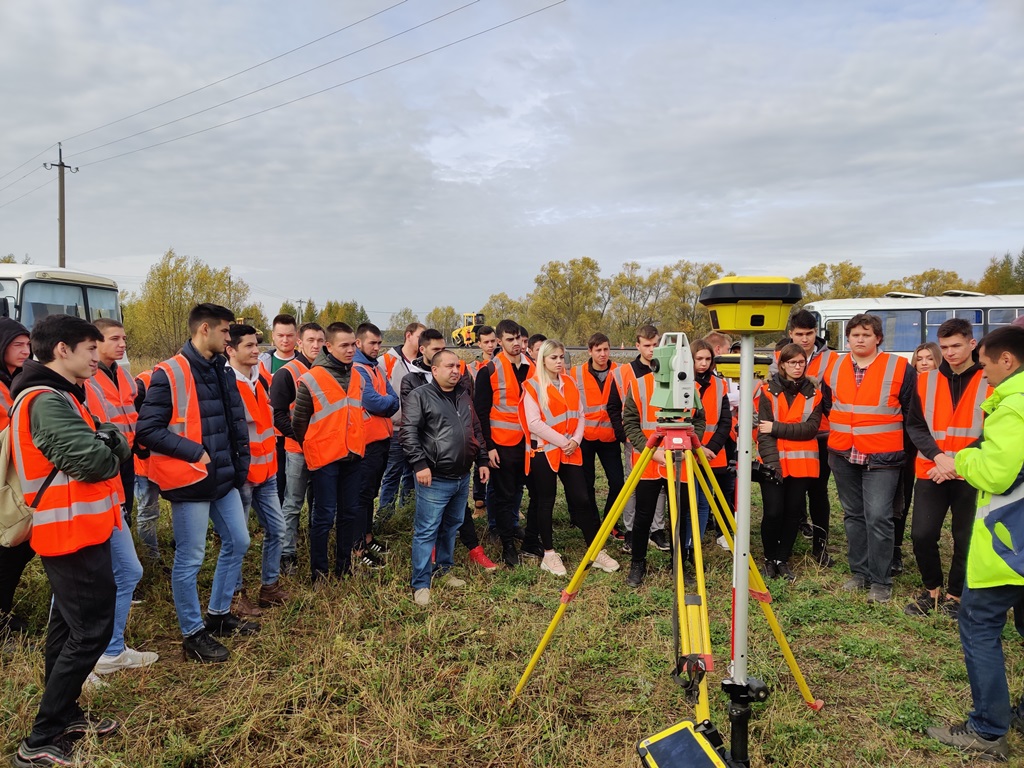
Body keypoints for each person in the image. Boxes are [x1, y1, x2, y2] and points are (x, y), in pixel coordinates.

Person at [9, 314, 129, 767]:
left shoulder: (61, 395)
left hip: (81, 529)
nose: (97, 358)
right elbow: (97, 461)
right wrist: (111, 441)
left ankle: (65, 715)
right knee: (91, 630)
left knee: (68, 628)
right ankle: (40, 738)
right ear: (63, 350)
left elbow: (107, 439)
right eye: (90, 349)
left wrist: (108, 439)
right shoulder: (45, 400)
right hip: (69, 533)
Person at [925, 326, 1024, 762]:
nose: (982, 374)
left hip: (1009, 544)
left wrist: (956, 459)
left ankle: (987, 730)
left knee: (980, 626)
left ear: (1007, 361)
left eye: (984, 364)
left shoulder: (1013, 407)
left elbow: (998, 473)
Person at [136, 303, 254, 664]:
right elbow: (147, 430)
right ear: (205, 329)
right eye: (225, 331)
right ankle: (192, 634)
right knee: (191, 558)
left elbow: (234, 424)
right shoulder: (169, 373)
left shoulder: (223, 370)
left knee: (239, 540)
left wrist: (239, 466)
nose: (229, 338)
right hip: (191, 480)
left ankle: (217, 616)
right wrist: (193, 451)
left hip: (223, 478)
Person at [83, 319, 157, 678]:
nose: (122, 344)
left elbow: (132, 415)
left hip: (121, 467)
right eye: (115, 339)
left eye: (125, 338)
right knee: (83, 579)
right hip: (96, 475)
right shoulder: (82, 383)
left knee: (123, 565)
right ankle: (84, 661)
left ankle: (111, 650)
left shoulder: (125, 376)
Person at [903, 320, 989, 619]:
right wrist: (939, 457)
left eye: (956, 346)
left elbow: (991, 431)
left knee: (965, 537)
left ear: (972, 344)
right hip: (932, 468)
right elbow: (914, 424)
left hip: (971, 473)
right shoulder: (925, 380)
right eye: (945, 347)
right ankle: (931, 591)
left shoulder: (989, 380)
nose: (950, 352)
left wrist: (954, 463)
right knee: (922, 534)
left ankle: (956, 595)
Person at [828, 313, 915, 604]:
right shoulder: (836, 366)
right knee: (853, 515)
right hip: (843, 453)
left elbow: (910, 412)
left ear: (878, 338)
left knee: (879, 516)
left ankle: (881, 579)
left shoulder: (899, 367)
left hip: (882, 457)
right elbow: (831, 404)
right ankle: (860, 573)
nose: (860, 339)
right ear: (848, 338)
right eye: (855, 335)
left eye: (866, 334)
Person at [521, 340, 619, 576]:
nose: (559, 361)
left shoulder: (570, 383)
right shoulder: (532, 387)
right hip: (545, 451)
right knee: (546, 501)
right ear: (542, 359)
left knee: (582, 499)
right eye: (553, 357)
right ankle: (549, 553)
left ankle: (594, 551)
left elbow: (580, 415)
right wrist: (564, 441)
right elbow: (534, 423)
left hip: (570, 450)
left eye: (561, 357)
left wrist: (575, 439)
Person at [401, 331, 497, 571]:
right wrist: (419, 464)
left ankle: (445, 569)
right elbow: (408, 432)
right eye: (449, 366)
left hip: (461, 476)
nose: (456, 370)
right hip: (434, 476)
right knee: (427, 529)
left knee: (451, 526)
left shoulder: (463, 396)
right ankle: (421, 581)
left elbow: (474, 428)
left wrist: (483, 459)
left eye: (457, 366)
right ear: (435, 370)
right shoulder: (420, 395)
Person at [621, 343, 705, 588]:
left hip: (680, 461)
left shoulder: (691, 385)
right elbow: (630, 422)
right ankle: (637, 563)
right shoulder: (638, 385)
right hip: (649, 461)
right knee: (643, 515)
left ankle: (679, 565)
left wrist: (689, 444)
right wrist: (649, 449)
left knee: (680, 516)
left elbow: (699, 420)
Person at [291, 322, 366, 581]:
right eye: (343, 345)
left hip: (353, 456)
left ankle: (344, 567)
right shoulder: (312, 378)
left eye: (353, 344)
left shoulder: (357, 376)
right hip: (325, 461)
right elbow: (299, 423)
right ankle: (319, 573)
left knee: (349, 514)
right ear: (329, 346)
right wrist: (316, 445)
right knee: (323, 518)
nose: (350, 350)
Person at [225, 324, 290, 615]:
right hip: (243, 477)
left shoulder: (260, 379)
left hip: (267, 472)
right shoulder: (226, 385)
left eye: (256, 345)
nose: (256, 351)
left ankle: (270, 586)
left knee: (277, 529)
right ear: (231, 350)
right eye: (249, 346)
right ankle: (236, 595)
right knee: (238, 539)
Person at [773, 310, 837, 565]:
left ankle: (820, 547)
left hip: (820, 434)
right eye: (799, 334)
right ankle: (789, 540)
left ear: (816, 333)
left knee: (819, 493)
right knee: (791, 495)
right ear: (790, 334)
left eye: (809, 334)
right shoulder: (779, 357)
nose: (804, 339)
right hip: (786, 437)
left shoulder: (831, 360)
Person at [756, 343, 823, 581]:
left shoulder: (815, 394)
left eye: (801, 362)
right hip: (773, 463)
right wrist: (773, 464)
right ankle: (768, 558)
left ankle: (782, 559)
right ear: (782, 364)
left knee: (793, 514)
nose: (797, 367)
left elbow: (810, 429)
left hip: (802, 464)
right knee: (773, 512)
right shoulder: (766, 391)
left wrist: (776, 427)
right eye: (792, 362)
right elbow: (762, 432)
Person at [475, 319, 534, 568]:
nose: (516, 343)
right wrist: (489, 448)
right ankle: (507, 543)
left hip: (529, 443)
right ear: (499, 341)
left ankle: (516, 529)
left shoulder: (532, 367)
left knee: (521, 491)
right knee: (504, 494)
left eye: (519, 338)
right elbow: (481, 413)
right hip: (502, 444)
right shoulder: (489, 370)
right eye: (510, 339)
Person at [607, 325, 669, 554]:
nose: (652, 349)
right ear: (638, 346)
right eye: (647, 345)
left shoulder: (668, 370)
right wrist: (626, 436)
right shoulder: (623, 373)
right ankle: (632, 531)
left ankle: (657, 530)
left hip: (663, 440)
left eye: (655, 345)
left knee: (661, 486)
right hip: (636, 440)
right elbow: (613, 407)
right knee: (632, 485)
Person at [270, 322, 324, 574]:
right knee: (292, 501)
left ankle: (317, 543)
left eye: (320, 340)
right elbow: (279, 415)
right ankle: (286, 552)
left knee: (319, 499)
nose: (316, 345)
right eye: (310, 340)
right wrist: (303, 438)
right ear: (299, 342)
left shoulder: (327, 370)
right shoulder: (288, 373)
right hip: (298, 449)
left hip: (325, 450)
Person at [891, 341, 945, 576]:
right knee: (900, 501)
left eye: (929, 358)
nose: (924, 363)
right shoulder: (911, 383)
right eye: (919, 359)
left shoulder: (945, 384)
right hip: (907, 449)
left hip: (937, 454)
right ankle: (895, 550)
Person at [352, 322, 400, 562]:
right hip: (366, 443)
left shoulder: (375, 368)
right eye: (372, 342)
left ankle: (368, 538)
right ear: (358, 343)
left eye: (380, 343)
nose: (377, 347)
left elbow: (394, 399)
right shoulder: (358, 369)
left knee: (371, 493)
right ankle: (358, 548)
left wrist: (388, 404)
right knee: (361, 496)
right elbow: (374, 402)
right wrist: (388, 404)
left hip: (381, 440)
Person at [571, 332, 625, 532]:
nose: (603, 354)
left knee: (618, 483)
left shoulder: (620, 371)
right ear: (590, 351)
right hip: (584, 437)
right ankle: (592, 523)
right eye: (598, 350)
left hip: (610, 437)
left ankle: (610, 523)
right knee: (587, 484)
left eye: (606, 349)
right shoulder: (576, 373)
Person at [0, 318, 33, 640]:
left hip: (19, 478)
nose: (25, 351)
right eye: (17, 345)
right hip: (4, 479)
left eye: (28, 345)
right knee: (7, 548)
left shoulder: (19, 380)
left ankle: (4, 609)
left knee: (19, 547)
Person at [378, 322, 426, 518]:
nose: (423, 341)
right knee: (392, 475)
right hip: (396, 429)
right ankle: (385, 516)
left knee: (411, 474)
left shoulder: (424, 363)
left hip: (418, 431)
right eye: (420, 336)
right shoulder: (387, 361)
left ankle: (405, 515)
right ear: (408, 335)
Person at [691, 339, 733, 559]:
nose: (704, 363)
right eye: (699, 359)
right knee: (688, 500)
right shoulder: (684, 383)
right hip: (689, 451)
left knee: (704, 500)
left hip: (711, 453)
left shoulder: (719, 384)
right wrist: (697, 447)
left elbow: (725, 422)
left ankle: (696, 541)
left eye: (708, 359)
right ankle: (688, 542)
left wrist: (711, 447)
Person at [258, 314, 297, 504]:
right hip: (270, 434)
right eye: (280, 335)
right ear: (272, 335)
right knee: (277, 481)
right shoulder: (260, 364)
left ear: (297, 337)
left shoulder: (306, 364)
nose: (285, 340)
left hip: (296, 433)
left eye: (289, 335)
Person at [132, 368, 161, 562]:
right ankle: (151, 559)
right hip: (145, 462)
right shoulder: (143, 382)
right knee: (148, 510)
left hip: (169, 461)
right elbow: (134, 422)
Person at [470, 324, 497, 517]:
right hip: (475, 417)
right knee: (479, 459)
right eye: (486, 342)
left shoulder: (501, 364)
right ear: (479, 344)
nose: (490, 345)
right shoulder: (472, 367)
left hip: (496, 419)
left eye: (493, 341)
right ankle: (479, 502)